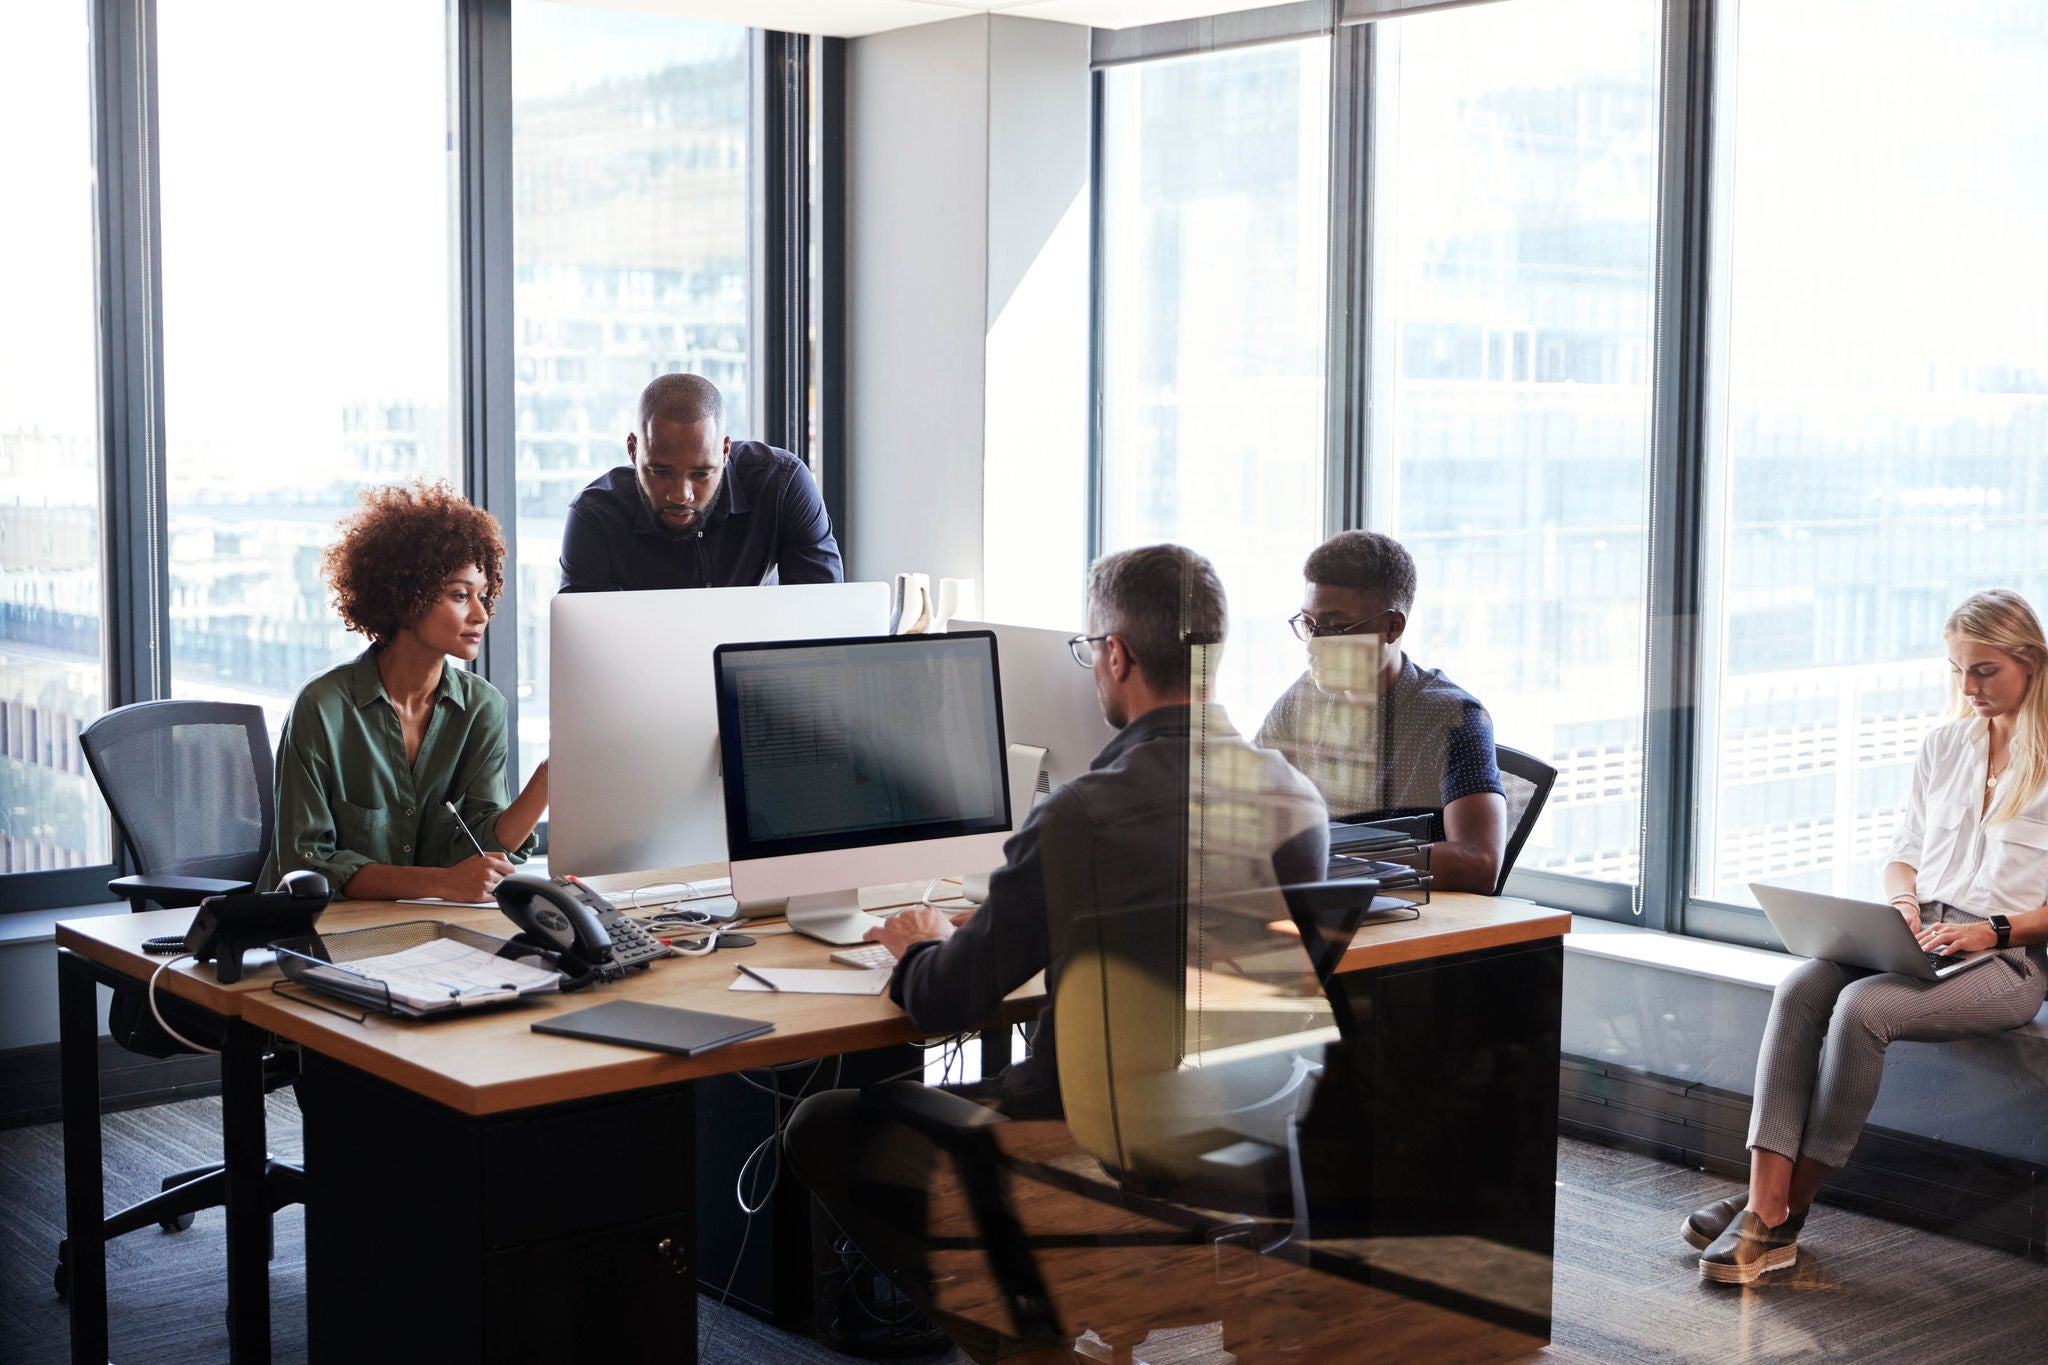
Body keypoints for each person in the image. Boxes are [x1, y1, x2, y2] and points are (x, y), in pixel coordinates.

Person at [782, 544, 1328, 1359]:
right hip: (1241, 1157)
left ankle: (1026, 1335)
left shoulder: (1085, 815)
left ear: (1117, 653)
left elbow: (942, 1003)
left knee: (822, 1123)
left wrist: (920, 943)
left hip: (1083, 1165)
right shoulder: (1297, 796)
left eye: (1089, 651)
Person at [1687, 589, 2048, 1284]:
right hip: (1928, 932)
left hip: (2008, 957)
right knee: (1800, 988)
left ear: (2030, 663)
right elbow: (1902, 852)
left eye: (1984, 670)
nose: (1967, 687)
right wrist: (1904, 905)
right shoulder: (1946, 744)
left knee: (1862, 1009)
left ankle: (1779, 1215)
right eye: (1957, 670)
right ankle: (1766, 1204)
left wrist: (1988, 930)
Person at [261, 482, 548, 901]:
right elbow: (306, 864)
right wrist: (442, 883)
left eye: (483, 596)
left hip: (430, 934)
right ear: (406, 595)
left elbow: (482, 848)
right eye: (459, 595)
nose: (481, 614)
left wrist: (547, 779)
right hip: (316, 933)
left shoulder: (483, 709)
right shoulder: (322, 708)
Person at [1257, 530, 1507, 893]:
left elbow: (1479, 862)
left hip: (1413, 921)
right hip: (1328, 906)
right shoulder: (1305, 697)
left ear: (1391, 627)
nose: (1314, 646)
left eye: (1335, 628)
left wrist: (1336, 862)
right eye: (1309, 625)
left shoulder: (1452, 717)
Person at [557, 372, 842, 592]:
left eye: (701, 474)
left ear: (725, 451)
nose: (681, 495)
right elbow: (585, 652)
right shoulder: (595, 517)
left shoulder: (783, 484)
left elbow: (824, 615)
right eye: (660, 472)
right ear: (633, 450)